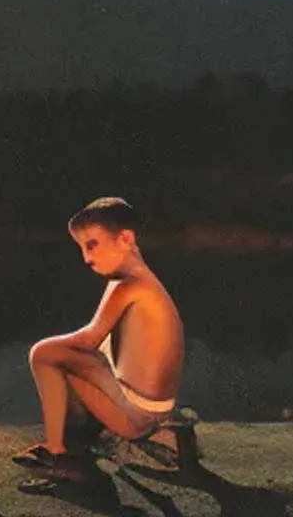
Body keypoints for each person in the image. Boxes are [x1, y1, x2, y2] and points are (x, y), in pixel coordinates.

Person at [12, 196, 185, 481]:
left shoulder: (130, 285)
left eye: (92, 244)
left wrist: (60, 353)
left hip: (137, 416)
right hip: (152, 409)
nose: (86, 258)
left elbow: (88, 340)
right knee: (71, 361)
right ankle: (89, 441)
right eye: (81, 248)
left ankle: (59, 450)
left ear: (125, 239)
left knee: (43, 354)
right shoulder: (140, 279)